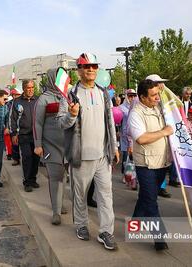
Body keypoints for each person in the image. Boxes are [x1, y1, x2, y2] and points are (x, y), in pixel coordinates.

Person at [57, 53, 119, 250]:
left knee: (106, 196)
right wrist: (71, 115)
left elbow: (110, 123)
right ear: (78, 70)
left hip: (102, 156)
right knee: (80, 195)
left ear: (97, 69)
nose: (90, 69)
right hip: (80, 157)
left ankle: (106, 232)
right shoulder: (69, 95)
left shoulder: (103, 93)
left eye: (93, 65)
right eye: (85, 66)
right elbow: (61, 122)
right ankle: (81, 225)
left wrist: (114, 147)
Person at [128, 79, 173, 251]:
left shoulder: (159, 108)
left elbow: (173, 101)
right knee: (151, 201)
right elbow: (141, 138)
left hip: (161, 162)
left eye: (157, 94)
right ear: (142, 97)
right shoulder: (136, 114)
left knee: (146, 197)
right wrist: (164, 132)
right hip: (145, 165)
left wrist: (164, 89)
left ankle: (134, 224)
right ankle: (159, 238)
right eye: (153, 95)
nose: (157, 98)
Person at [34, 68, 68, 225]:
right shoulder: (43, 99)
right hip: (50, 146)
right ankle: (56, 212)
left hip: (68, 145)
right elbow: (38, 124)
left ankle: (60, 204)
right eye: (59, 77)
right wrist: (38, 145)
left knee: (65, 177)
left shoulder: (68, 96)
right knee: (55, 177)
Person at [145, 74, 173, 196]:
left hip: (162, 142)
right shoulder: (141, 101)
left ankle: (159, 188)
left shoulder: (161, 98)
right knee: (148, 192)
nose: (160, 86)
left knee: (161, 168)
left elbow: (175, 105)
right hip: (148, 148)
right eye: (157, 84)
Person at [10, 79, 40, 193]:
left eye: (32, 87)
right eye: (28, 88)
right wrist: (13, 134)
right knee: (27, 157)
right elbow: (12, 119)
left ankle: (33, 179)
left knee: (36, 158)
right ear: (23, 89)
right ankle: (27, 182)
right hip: (23, 135)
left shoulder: (38, 100)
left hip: (37, 135)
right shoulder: (17, 102)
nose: (31, 90)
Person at [119, 89, 137, 182]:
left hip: (135, 135)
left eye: (134, 96)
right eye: (130, 96)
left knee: (133, 157)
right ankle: (125, 175)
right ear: (126, 96)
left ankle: (132, 176)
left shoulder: (137, 106)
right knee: (126, 156)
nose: (132, 98)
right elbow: (118, 120)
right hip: (125, 135)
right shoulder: (121, 107)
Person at [8, 87, 22, 166]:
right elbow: (9, 116)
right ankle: (16, 159)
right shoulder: (9, 103)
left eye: (16, 95)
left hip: (23, 126)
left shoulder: (22, 102)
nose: (14, 96)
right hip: (13, 126)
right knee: (14, 144)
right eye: (13, 95)